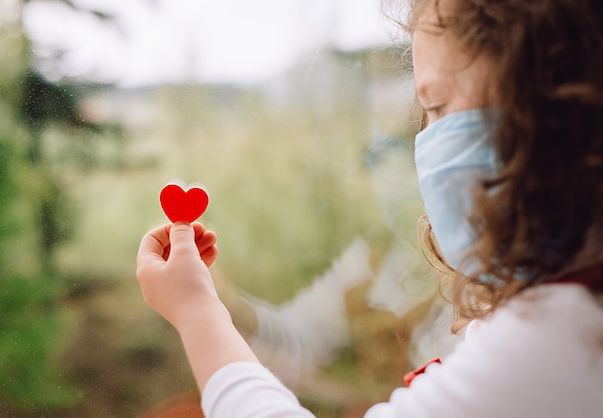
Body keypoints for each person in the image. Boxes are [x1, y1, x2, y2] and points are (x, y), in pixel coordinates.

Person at [136, 0, 603, 416]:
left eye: (437, 106)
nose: (421, 151)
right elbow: (299, 340)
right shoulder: (377, 268)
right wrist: (219, 301)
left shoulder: (562, 336)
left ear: (553, 109)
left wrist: (197, 312)